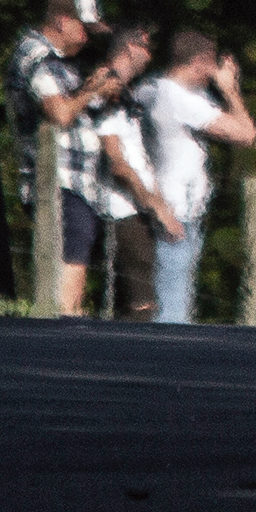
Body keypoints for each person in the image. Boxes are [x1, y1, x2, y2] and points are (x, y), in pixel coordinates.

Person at [4, 0, 134, 317]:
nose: (88, 37)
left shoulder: (63, 63)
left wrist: (101, 92)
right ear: (63, 20)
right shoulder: (36, 55)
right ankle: (63, 329)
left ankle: (65, 323)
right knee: (68, 268)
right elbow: (60, 113)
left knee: (77, 253)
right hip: (57, 182)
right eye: (84, 28)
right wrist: (92, 89)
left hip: (76, 184)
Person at [134, 30, 256, 324]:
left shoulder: (150, 88)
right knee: (173, 308)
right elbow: (247, 134)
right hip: (176, 211)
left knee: (166, 298)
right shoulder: (178, 98)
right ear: (200, 62)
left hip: (165, 203)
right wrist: (229, 90)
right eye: (211, 65)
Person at [86, 31, 162, 319]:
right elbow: (116, 160)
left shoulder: (124, 91)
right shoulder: (107, 86)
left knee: (128, 305)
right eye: (147, 47)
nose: (150, 56)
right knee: (141, 309)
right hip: (121, 209)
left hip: (133, 207)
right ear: (131, 46)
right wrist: (153, 203)